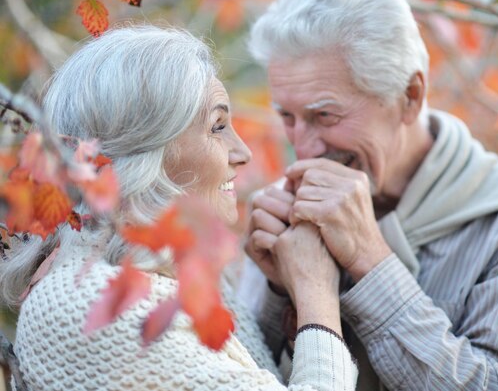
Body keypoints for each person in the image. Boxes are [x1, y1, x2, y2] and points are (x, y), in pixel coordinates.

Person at [243, 0, 498, 390]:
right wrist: (278, 291)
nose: (304, 149)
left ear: (410, 96)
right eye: (287, 117)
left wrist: (370, 259)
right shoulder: (283, 210)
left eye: (325, 115)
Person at [0, 26, 357, 391]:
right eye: (217, 127)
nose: (243, 153)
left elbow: (240, 374)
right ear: (146, 151)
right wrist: (316, 292)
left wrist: (279, 290)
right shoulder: (93, 303)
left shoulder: (157, 270)